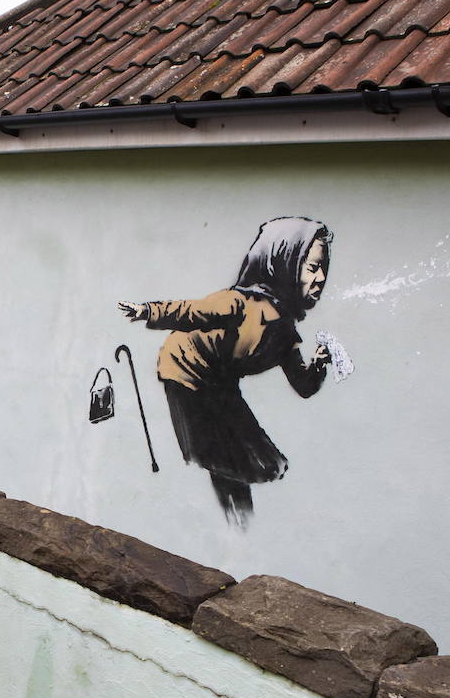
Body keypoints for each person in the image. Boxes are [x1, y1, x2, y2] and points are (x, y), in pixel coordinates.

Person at [119, 216, 333, 527]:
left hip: (221, 382)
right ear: (282, 263)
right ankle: (234, 524)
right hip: (186, 372)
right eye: (312, 267)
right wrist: (147, 311)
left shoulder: (286, 333)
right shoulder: (239, 303)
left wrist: (320, 364)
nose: (321, 278)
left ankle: (240, 524)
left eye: (324, 268)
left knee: (257, 457)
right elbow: (191, 312)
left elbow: (303, 385)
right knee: (222, 456)